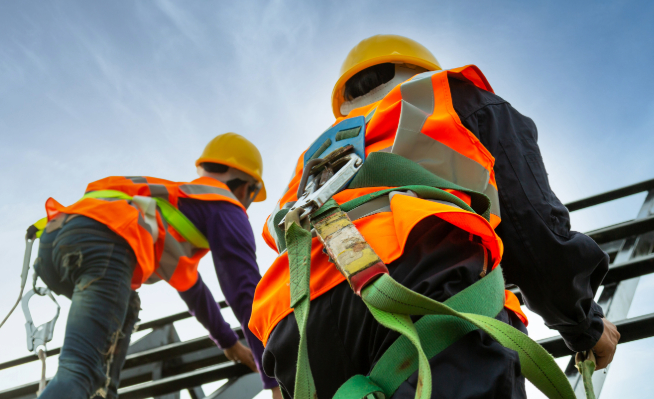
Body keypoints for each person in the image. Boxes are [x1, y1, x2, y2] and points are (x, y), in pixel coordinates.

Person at [248, 35, 620, 398]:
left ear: (345, 101)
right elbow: (530, 225)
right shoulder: (451, 97)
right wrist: (583, 324)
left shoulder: (312, 162)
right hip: (425, 274)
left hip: (295, 322)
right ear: (418, 69)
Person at [34, 132, 281, 398]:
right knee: (80, 372)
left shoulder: (176, 209)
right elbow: (247, 295)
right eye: (253, 195)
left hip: (55, 242)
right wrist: (276, 380)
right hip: (104, 243)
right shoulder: (225, 205)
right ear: (246, 186)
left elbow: (195, 292)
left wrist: (228, 342)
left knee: (102, 383)